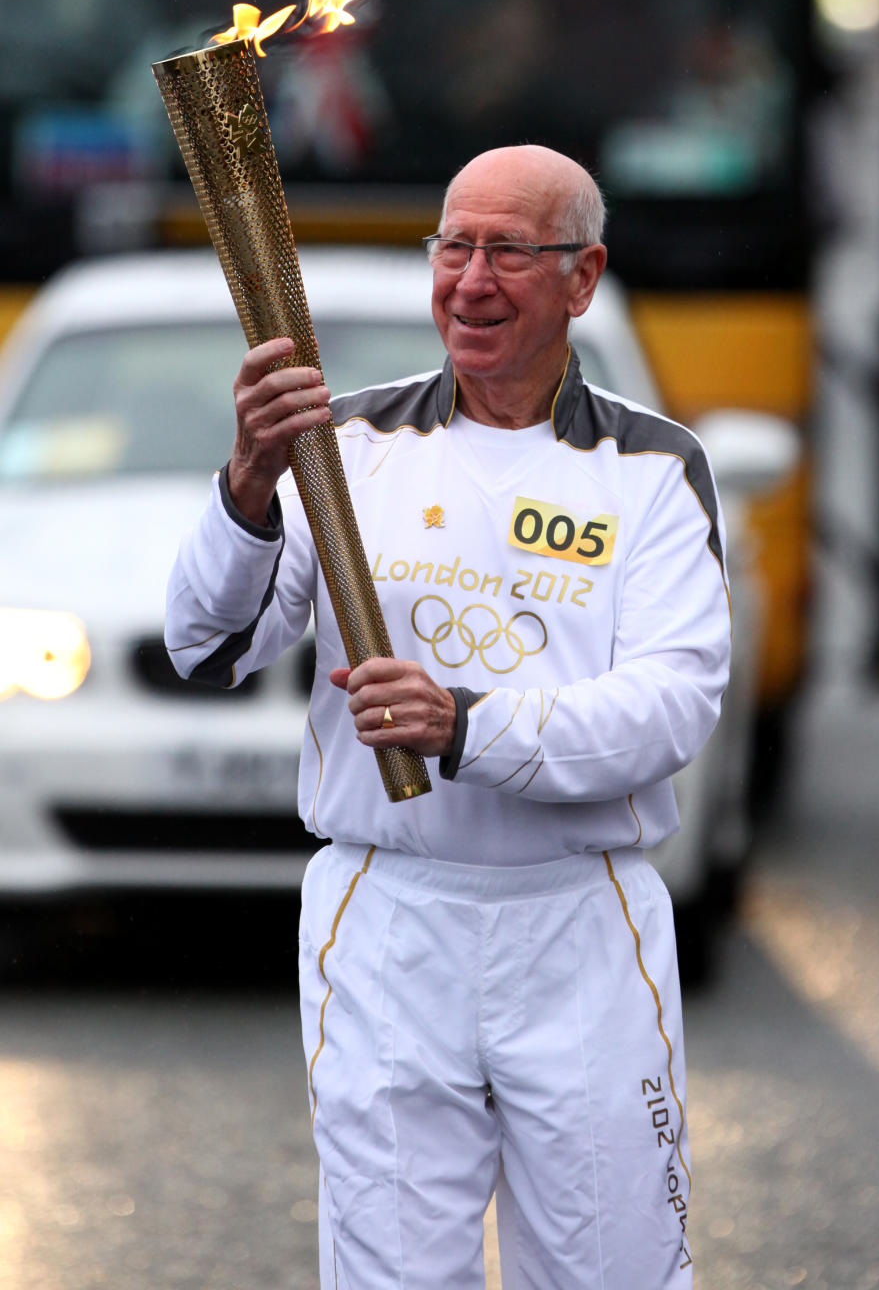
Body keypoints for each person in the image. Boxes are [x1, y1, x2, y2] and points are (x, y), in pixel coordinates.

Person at [165, 144, 731, 1287]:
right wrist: (246, 486)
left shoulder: (651, 469)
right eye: (453, 245)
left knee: (612, 1268)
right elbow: (208, 646)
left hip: (579, 923)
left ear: (582, 277)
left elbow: (671, 706)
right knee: (390, 1274)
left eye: (509, 251)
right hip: (387, 919)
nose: (470, 279)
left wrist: (464, 724)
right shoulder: (349, 448)